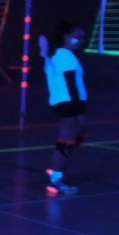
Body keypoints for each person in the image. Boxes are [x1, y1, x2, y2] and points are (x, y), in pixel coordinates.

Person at [39, 21, 89, 195]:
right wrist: (80, 112)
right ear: (67, 36)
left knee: (79, 135)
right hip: (69, 103)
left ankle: (57, 166)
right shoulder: (65, 56)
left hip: (67, 102)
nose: (81, 40)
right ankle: (56, 177)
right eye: (78, 36)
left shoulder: (60, 56)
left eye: (83, 37)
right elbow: (71, 84)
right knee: (66, 140)